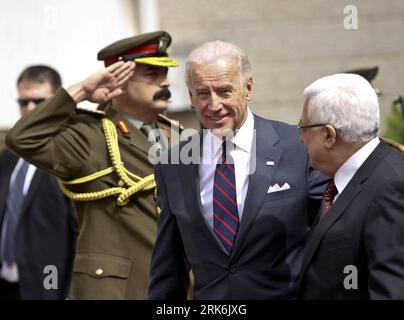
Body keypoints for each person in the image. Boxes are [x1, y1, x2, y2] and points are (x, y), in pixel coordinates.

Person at [6, 31, 182, 299]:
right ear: (119, 78)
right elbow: (22, 139)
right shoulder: (90, 134)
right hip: (118, 291)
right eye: (152, 74)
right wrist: (82, 91)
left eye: (164, 73)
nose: (164, 82)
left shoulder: (178, 137)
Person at [148, 41, 328, 300]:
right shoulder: (173, 165)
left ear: (248, 88)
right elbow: (168, 270)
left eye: (224, 91)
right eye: (202, 93)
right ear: (190, 96)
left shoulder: (299, 147)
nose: (214, 105)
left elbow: (333, 243)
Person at [298, 73, 404, 299]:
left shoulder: (392, 187)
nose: (300, 138)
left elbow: (391, 290)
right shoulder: (343, 180)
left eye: (303, 127)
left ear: (328, 135)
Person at [0, 65, 77, 300]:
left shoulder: (72, 156)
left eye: (39, 101)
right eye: (23, 102)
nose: (30, 109)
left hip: (48, 286)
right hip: (6, 282)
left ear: (57, 102)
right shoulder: (8, 155)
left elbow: (79, 234)